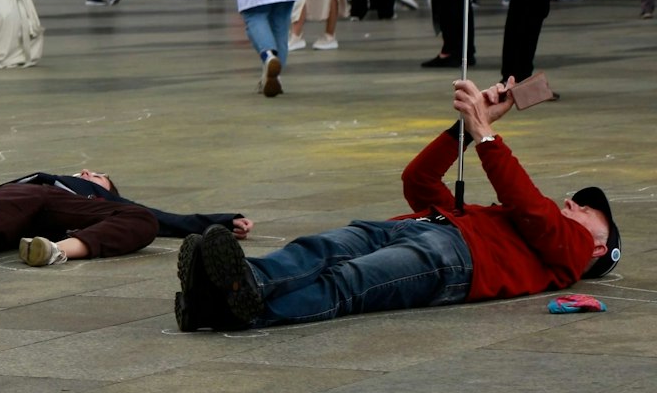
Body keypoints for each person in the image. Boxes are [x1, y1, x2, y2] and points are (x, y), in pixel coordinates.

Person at [177, 78, 621, 331]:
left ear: (598, 248)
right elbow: (419, 179)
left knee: (349, 282)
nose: (571, 202)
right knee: (320, 248)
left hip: (458, 258)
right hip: (427, 228)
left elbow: (530, 207)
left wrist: (486, 134)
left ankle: (232, 308)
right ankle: (237, 283)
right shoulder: (509, 223)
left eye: (585, 210)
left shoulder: (571, 253)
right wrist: (464, 130)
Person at [0, 169, 249, 272]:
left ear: (105, 189)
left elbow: (167, 219)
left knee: (143, 219)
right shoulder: (35, 182)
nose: (87, 170)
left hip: (66, 219)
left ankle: (57, 252)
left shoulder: (101, 199)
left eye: (98, 174)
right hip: (22, 208)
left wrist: (221, 221)